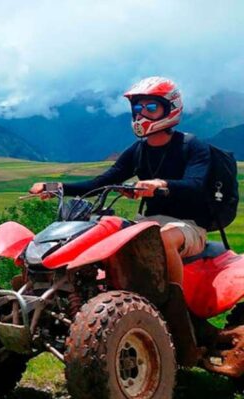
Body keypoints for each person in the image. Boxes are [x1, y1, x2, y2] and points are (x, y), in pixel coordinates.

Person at [29, 76, 211, 286]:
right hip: (146, 222)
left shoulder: (192, 146)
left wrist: (160, 184)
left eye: (151, 107)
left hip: (188, 225)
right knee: (100, 234)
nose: (142, 114)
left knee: (162, 239)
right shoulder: (138, 150)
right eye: (137, 108)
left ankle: (173, 304)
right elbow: (99, 183)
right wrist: (55, 187)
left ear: (170, 108)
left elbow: (196, 185)